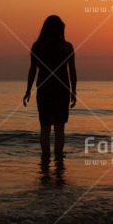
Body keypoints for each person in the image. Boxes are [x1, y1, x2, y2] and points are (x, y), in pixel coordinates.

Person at [23, 15, 77, 160]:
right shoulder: (67, 47)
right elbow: (72, 71)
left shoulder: (38, 46)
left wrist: (28, 90)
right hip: (61, 91)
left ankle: (45, 162)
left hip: (44, 91)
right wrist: (73, 91)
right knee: (59, 130)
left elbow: (32, 70)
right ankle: (59, 163)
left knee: (45, 129)